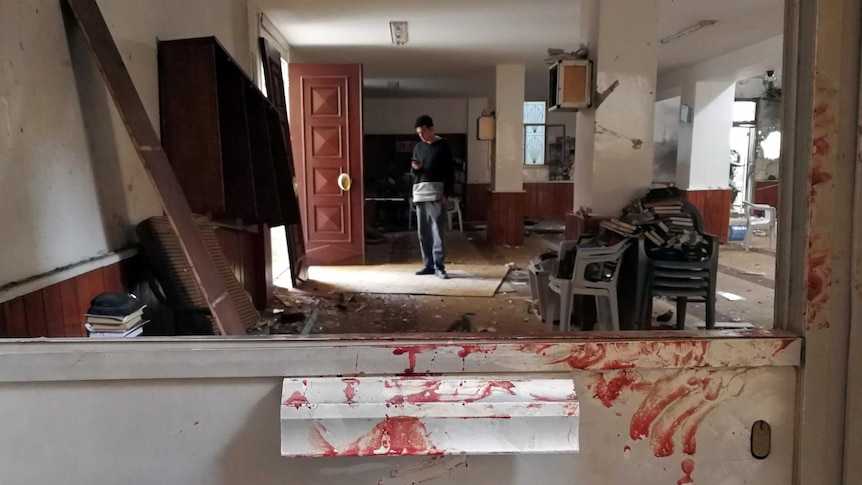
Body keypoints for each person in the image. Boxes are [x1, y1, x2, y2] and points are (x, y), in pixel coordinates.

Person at [411, 115, 455, 279]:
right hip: (420, 192)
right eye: (418, 133)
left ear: (431, 129)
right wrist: (416, 168)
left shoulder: (443, 146)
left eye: (423, 132)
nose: (421, 136)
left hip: (437, 193)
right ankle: (428, 265)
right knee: (423, 232)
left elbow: (450, 172)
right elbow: (414, 173)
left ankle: (439, 266)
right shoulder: (418, 147)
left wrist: (447, 193)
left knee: (438, 231)